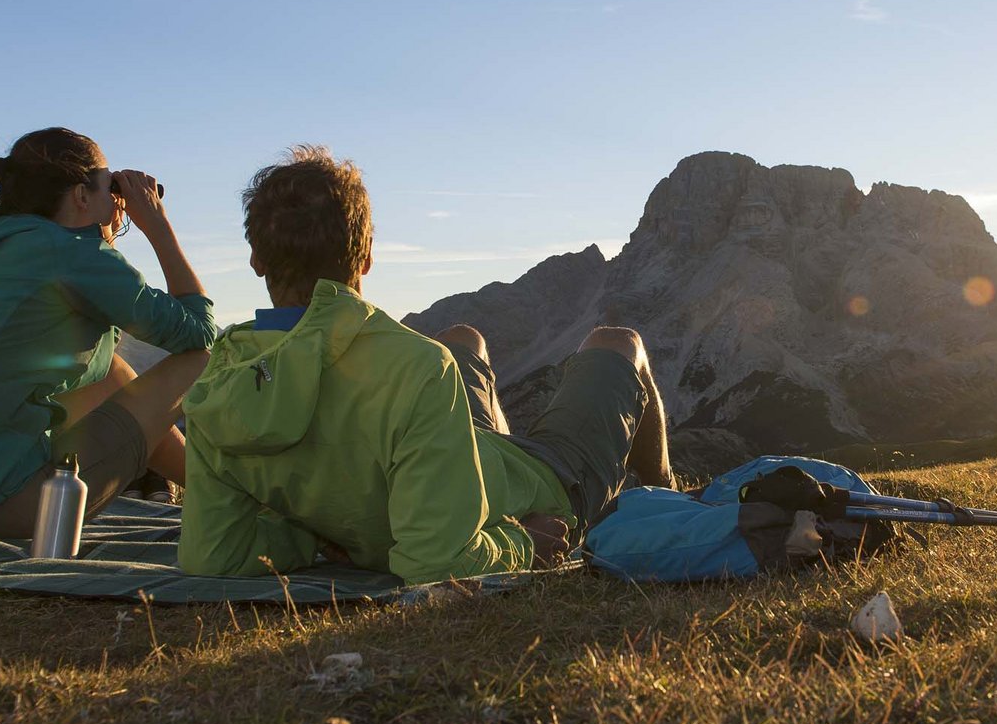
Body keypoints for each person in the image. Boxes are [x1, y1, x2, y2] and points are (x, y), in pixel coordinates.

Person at [177, 146, 674, 583]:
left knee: (465, 339)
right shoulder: (416, 366)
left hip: (450, 466)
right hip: (544, 489)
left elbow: (215, 555)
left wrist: (319, 540)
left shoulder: (219, 382)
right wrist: (525, 545)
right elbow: (437, 564)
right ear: (366, 257)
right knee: (618, 342)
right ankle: (665, 494)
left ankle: (498, 457)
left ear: (256, 261)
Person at [0, 127, 218, 537]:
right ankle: (226, 490)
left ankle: (213, 489)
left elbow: (90, 347)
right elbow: (198, 332)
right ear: (81, 195)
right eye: (110, 185)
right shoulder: (69, 253)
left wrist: (100, 235)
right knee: (197, 361)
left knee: (110, 371)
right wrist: (157, 225)